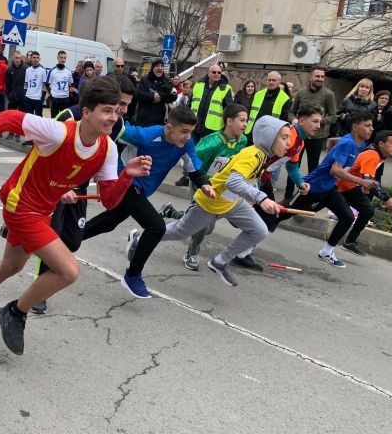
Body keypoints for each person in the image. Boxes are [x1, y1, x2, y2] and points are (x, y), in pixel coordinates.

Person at [0, 78, 152, 355]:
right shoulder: (57, 132)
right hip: (20, 204)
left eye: (116, 111)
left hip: (43, 209)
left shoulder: (108, 149)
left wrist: (125, 176)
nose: (113, 117)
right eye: (107, 110)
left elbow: (108, 201)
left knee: (11, 265)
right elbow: (9, 118)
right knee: (68, 270)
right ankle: (15, 312)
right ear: (86, 112)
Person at [127, 115, 288, 288]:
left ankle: (220, 261)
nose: (288, 143)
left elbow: (249, 178)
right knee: (179, 231)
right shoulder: (253, 155)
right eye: (284, 137)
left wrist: (251, 195)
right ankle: (139, 237)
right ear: (268, 138)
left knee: (259, 230)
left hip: (233, 203)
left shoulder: (263, 156)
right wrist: (260, 198)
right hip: (211, 202)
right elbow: (233, 182)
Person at [25, 73, 136, 315]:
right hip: (52, 185)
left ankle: (22, 236)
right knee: (51, 236)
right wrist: (61, 187)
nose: (123, 111)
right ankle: (39, 289)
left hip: (80, 186)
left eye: (126, 105)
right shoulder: (69, 115)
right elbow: (41, 148)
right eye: (120, 104)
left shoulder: (118, 125)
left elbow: (105, 156)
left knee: (73, 241)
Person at [82, 105, 214, 298]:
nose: (187, 137)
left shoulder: (186, 144)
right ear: (169, 128)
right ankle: (132, 275)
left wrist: (205, 185)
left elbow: (193, 170)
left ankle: (67, 240)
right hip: (125, 183)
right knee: (156, 227)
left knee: (110, 222)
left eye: (190, 132)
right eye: (184, 131)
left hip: (142, 189)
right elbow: (116, 129)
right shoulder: (146, 136)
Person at [231, 106, 324, 272]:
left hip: (263, 178)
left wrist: (300, 182)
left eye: (320, 122)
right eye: (315, 121)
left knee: (267, 216)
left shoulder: (300, 142)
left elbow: (292, 166)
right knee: (262, 216)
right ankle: (240, 249)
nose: (318, 126)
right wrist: (253, 187)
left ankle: (242, 251)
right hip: (256, 176)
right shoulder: (289, 135)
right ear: (302, 121)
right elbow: (263, 154)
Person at [159, 103, 249, 271]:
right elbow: (192, 161)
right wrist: (203, 181)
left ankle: (172, 213)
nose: (245, 124)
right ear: (229, 121)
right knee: (203, 226)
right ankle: (191, 253)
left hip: (220, 187)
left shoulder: (242, 141)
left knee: (206, 228)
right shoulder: (211, 143)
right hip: (201, 183)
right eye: (242, 120)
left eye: (247, 121)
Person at [280, 111, 376, 268]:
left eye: (372, 125)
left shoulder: (360, 144)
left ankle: (326, 252)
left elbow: (334, 144)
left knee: (347, 217)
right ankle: (256, 225)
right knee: (284, 214)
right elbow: (335, 170)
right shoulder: (348, 143)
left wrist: (331, 149)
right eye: (367, 125)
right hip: (313, 186)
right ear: (355, 127)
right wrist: (361, 182)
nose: (371, 129)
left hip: (329, 189)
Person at [335, 129, 392, 256]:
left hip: (350, 185)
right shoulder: (372, 155)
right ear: (381, 144)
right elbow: (370, 180)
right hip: (341, 185)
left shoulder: (378, 154)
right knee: (361, 212)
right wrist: (387, 198)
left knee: (367, 210)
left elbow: (369, 179)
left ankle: (349, 242)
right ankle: (346, 243)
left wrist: (367, 187)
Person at [284, 65, 337, 202]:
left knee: (313, 168)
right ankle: (287, 197)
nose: (320, 79)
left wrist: (316, 122)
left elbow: (333, 116)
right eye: (317, 76)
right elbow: (291, 112)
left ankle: (308, 198)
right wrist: (294, 120)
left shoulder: (328, 94)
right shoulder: (301, 93)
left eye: (322, 77)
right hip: (299, 135)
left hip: (317, 137)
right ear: (310, 77)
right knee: (293, 165)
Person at [176, 65, 234, 185]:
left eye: (219, 72)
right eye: (214, 72)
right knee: (190, 151)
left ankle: (206, 178)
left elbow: (229, 109)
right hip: (195, 125)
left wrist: (227, 127)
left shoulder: (225, 88)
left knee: (210, 154)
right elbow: (190, 104)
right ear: (208, 73)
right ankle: (186, 177)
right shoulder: (199, 85)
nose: (216, 74)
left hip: (213, 127)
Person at [133, 58, 176, 126]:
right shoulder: (144, 79)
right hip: (143, 120)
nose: (160, 68)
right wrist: (152, 96)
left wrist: (160, 96)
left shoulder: (166, 80)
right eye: (157, 66)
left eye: (162, 66)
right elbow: (138, 94)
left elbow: (174, 96)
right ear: (152, 68)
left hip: (160, 121)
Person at [372, 90, 392, 182]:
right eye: (382, 98)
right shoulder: (371, 110)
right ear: (377, 99)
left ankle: (376, 184)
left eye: (386, 99)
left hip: (381, 142)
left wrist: (381, 121)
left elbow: (391, 128)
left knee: (378, 164)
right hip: (370, 140)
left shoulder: (390, 112)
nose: (384, 100)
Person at [5, 50, 27, 141]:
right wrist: (8, 95)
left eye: (19, 58)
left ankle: (18, 134)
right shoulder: (9, 70)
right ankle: (11, 133)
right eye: (16, 58)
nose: (18, 60)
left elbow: (27, 82)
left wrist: (25, 94)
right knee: (12, 116)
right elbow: (7, 84)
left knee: (20, 117)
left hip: (22, 96)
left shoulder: (26, 68)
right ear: (13, 58)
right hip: (13, 97)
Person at [46, 50, 74, 117]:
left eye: (65, 58)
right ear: (57, 58)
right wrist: (51, 94)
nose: (63, 59)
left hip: (65, 98)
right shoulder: (52, 71)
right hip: (55, 98)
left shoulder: (68, 71)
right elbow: (47, 84)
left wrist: (69, 94)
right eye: (61, 57)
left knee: (64, 118)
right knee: (54, 118)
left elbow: (71, 84)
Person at [23, 50, 47, 119]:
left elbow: (44, 85)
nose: (36, 59)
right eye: (34, 57)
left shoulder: (43, 70)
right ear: (31, 58)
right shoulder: (28, 70)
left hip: (38, 98)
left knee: (38, 118)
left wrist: (42, 97)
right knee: (29, 118)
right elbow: (26, 83)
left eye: (37, 58)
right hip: (28, 97)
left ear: (39, 59)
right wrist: (24, 94)